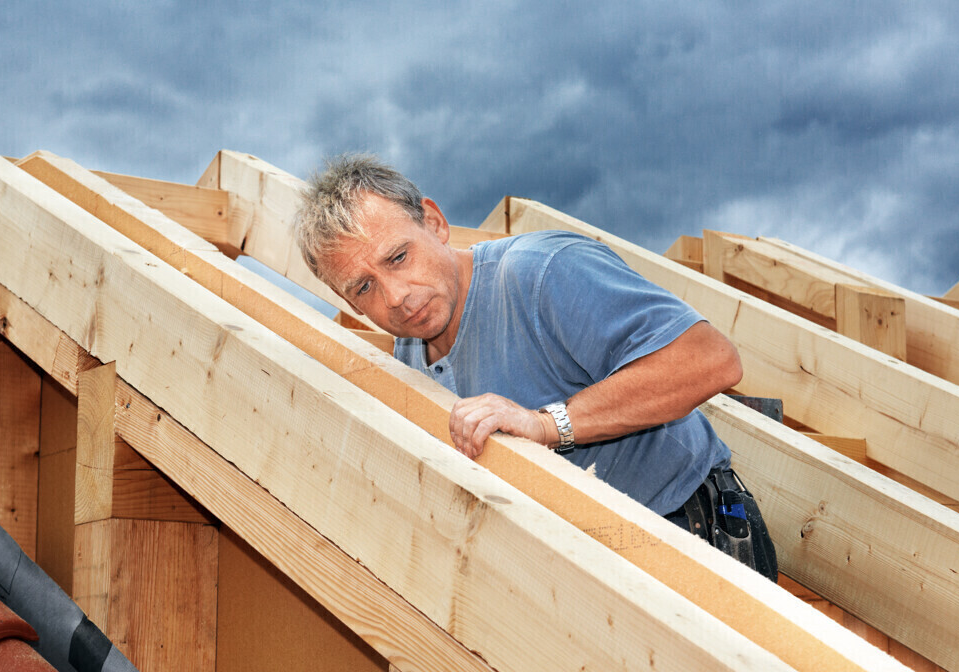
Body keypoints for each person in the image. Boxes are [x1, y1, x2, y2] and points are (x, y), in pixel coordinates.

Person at [293, 154, 777, 581]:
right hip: (585, 566)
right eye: (363, 288)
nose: (396, 296)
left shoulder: (541, 273)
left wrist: (547, 425)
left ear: (435, 223)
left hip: (692, 531)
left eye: (399, 257)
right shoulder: (410, 352)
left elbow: (709, 360)